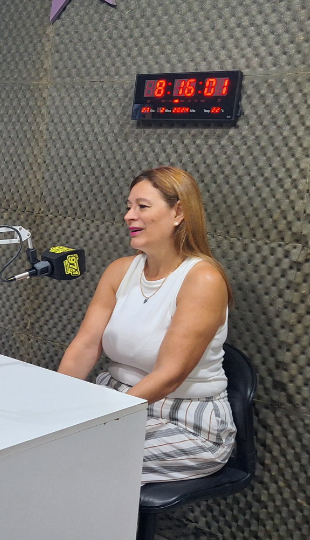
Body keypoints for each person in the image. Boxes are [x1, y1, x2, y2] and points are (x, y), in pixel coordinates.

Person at [57, 166, 235, 484]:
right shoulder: (119, 270)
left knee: (73, 464)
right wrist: (54, 399)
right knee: (33, 446)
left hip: (185, 419)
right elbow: (85, 345)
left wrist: (105, 419)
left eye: (142, 206)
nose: (129, 216)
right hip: (115, 399)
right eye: (129, 206)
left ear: (178, 212)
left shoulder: (203, 280)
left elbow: (169, 375)